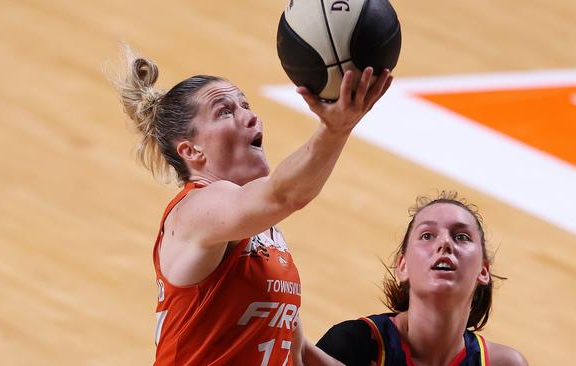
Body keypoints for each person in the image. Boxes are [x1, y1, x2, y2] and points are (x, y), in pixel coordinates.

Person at [109, 44, 393, 366]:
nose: (250, 115)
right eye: (225, 111)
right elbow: (285, 195)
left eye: (246, 104)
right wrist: (335, 129)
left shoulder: (265, 232)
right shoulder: (195, 211)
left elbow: (297, 352)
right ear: (191, 151)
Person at [314, 192, 529, 366]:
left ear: (483, 271)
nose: (445, 243)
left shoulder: (504, 363)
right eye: (427, 235)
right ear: (403, 266)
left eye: (461, 237)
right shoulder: (355, 343)